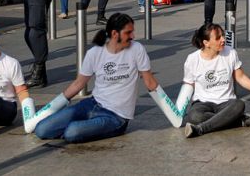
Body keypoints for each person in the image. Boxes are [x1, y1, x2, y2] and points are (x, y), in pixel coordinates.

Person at [34, 13, 159, 143]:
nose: (133, 36)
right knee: (42, 130)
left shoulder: (137, 49)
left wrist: (174, 113)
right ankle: (86, 126)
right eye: (128, 33)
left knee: (72, 132)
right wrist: (51, 107)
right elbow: (78, 84)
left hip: (116, 117)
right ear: (115, 34)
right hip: (92, 104)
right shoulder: (95, 53)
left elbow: (150, 82)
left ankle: (85, 127)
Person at [182, 23, 250, 138]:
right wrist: (178, 111)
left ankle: (201, 129)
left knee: (239, 104)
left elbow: (240, 77)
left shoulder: (230, 53)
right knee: (194, 116)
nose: (223, 40)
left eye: (223, 35)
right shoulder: (192, 59)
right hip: (203, 103)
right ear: (206, 43)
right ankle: (239, 121)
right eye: (218, 38)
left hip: (226, 102)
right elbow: (188, 86)